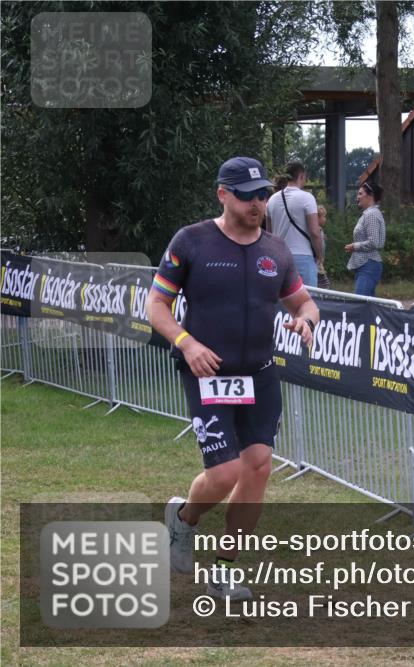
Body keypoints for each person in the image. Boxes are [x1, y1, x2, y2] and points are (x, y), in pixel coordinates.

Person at [147, 156, 319, 600]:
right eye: (246, 196)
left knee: (258, 467)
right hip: (208, 373)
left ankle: (224, 569)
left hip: (260, 374)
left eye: (261, 194)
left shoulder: (275, 250)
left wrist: (305, 319)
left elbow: (303, 302)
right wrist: (187, 343)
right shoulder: (192, 241)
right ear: (223, 194)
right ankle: (184, 519)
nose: (257, 204)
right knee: (224, 473)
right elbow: (156, 307)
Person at [266, 159, 323, 286]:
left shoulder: (272, 200)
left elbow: (269, 234)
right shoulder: (307, 198)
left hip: (279, 257)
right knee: (307, 301)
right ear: (301, 175)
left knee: (282, 301)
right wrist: (320, 255)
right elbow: (314, 232)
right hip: (302, 257)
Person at [346, 181, 386, 296]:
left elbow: (374, 242)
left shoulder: (371, 214)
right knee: (367, 307)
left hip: (369, 266)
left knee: (360, 304)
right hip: (365, 265)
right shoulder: (368, 214)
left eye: (360, 194)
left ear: (370, 195)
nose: (357, 197)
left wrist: (355, 246)